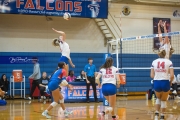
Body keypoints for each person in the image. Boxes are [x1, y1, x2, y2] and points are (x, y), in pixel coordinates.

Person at [150, 49, 174, 120]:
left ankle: (157, 114)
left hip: (157, 82)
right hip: (165, 82)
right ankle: (162, 116)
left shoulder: (154, 62)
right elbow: (172, 75)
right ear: (165, 54)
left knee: (158, 98)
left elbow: (151, 75)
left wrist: (157, 78)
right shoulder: (169, 62)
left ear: (158, 54)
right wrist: (170, 82)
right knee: (163, 100)